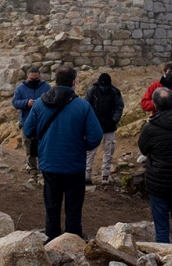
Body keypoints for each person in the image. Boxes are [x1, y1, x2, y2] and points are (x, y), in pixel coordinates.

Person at [23, 66, 103, 240]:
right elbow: (95, 136)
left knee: (52, 208)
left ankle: (52, 244)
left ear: (55, 81)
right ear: (74, 82)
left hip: (49, 163)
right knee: (73, 209)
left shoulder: (39, 104)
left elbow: (28, 130)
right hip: (74, 165)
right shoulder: (83, 106)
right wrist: (82, 146)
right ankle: (72, 245)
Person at [138, 87, 172, 244]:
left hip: (159, 182)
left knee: (162, 227)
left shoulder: (150, 128)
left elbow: (143, 148)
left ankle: (164, 258)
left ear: (155, 105)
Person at [84, 73, 124, 185]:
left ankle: (105, 175)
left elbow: (119, 106)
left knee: (109, 151)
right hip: (94, 126)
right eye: (102, 86)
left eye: (105, 86)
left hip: (110, 127)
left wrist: (114, 120)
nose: (103, 88)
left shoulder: (115, 92)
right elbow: (86, 106)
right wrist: (90, 122)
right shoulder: (92, 90)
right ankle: (87, 175)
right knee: (90, 151)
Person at [12, 67, 52, 180]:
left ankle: (43, 167)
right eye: (31, 78)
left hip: (43, 122)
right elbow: (15, 102)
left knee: (43, 144)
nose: (34, 80)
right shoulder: (21, 88)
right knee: (28, 145)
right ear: (27, 77)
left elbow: (52, 100)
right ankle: (32, 167)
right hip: (26, 121)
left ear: (40, 77)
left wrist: (41, 103)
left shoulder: (46, 87)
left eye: (36, 78)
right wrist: (26, 103)